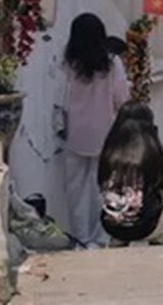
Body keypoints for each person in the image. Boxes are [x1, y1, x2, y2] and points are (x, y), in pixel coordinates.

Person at [63, 13, 130, 248]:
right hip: (106, 134)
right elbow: (121, 98)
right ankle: (100, 238)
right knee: (105, 188)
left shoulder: (71, 64)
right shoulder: (112, 64)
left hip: (77, 133)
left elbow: (64, 98)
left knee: (76, 189)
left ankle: (80, 237)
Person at [97, 102, 163, 246]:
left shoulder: (109, 154)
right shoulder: (152, 153)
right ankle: (160, 237)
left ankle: (118, 239)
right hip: (147, 227)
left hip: (111, 226)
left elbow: (101, 183)